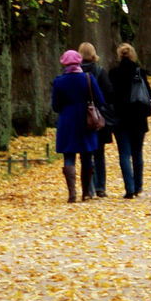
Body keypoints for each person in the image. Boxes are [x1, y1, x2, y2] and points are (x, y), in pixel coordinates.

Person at [52, 49, 105, 203]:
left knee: (69, 156)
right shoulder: (88, 78)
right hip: (85, 120)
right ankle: (87, 192)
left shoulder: (59, 82)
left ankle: (72, 193)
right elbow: (100, 99)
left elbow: (55, 106)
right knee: (87, 154)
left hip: (67, 121)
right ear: (79, 62)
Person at [109, 43, 151, 199]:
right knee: (137, 153)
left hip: (120, 119)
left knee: (124, 154)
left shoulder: (113, 73)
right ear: (133, 54)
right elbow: (149, 95)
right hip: (138, 118)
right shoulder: (139, 72)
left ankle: (129, 188)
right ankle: (138, 185)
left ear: (119, 56)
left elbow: (109, 96)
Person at [79, 41, 115, 198]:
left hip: (81, 117)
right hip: (97, 117)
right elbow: (108, 94)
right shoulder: (100, 71)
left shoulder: (76, 72)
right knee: (99, 153)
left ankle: (89, 187)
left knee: (86, 152)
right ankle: (100, 186)